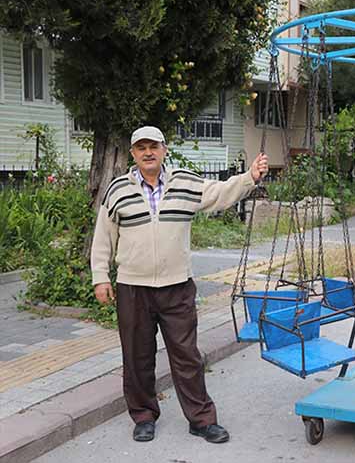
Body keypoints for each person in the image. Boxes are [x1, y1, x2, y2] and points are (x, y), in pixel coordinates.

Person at [91, 125, 268, 443]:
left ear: (164, 150)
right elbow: (103, 237)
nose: (148, 152)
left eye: (154, 146)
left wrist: (249, 178)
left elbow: (220, 194)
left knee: (187, 355)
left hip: (177, 286)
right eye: (141, 147)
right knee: (137, 356)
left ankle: (201, 419)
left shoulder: (185, 183)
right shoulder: (117, 189)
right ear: (133, 153)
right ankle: (143, 416)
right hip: (134, 287)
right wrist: (100, 277)